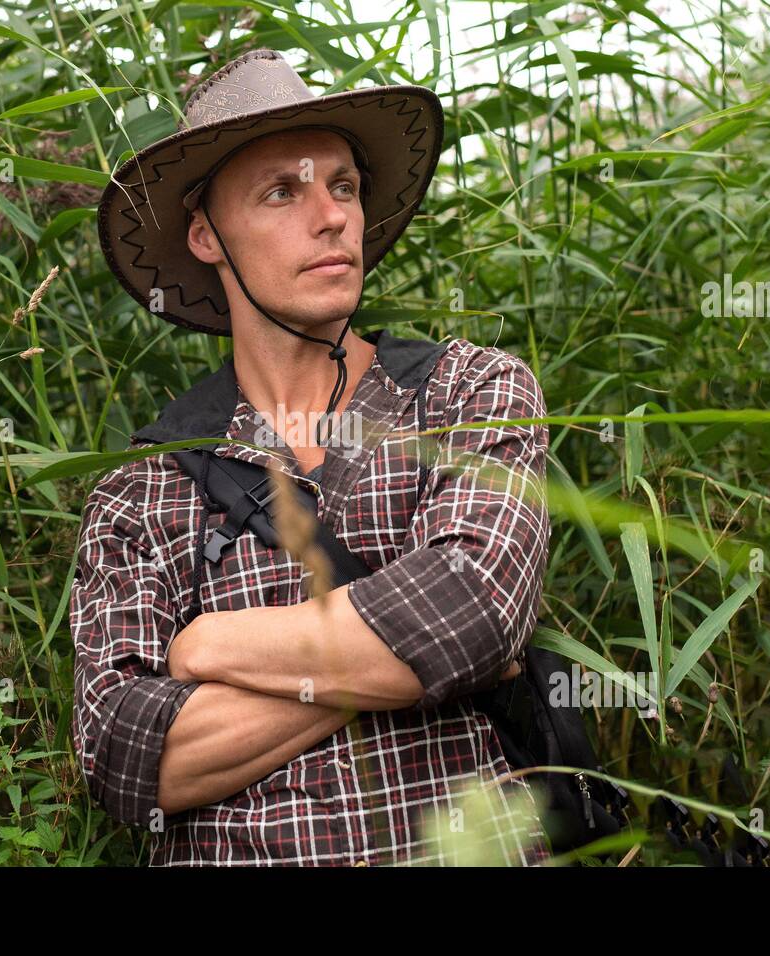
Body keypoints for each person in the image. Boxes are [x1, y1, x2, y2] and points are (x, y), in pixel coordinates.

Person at [74, 47, 551, 865]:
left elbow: (473, 605)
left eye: (342, 185)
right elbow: (124, 753)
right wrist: (415, 658)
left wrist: (209, 648)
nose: (332, 217)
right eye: (281, 192)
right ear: (205, 235)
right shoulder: (146, 487)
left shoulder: (468, 392)